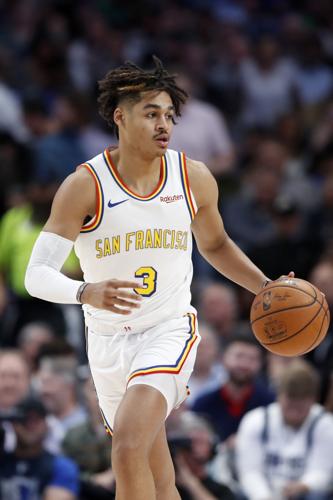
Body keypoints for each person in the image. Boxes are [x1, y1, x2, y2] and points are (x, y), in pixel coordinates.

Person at [25, 56, 289, 500]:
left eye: (169, 115)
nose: (164, 123)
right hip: (107, 341)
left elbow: (216, 244)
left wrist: (265, 287)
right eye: (151, 113)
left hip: (167, 330)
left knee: (127, 447)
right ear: (120, 116)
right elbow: (36, 275)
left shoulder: (192, 178)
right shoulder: (85, 185)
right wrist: (85, 291)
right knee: (154, 468)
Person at [235, 360, 333, 500]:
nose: (294, 410)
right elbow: (250, 472)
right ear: (279, 395)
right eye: (290, 401)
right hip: (265, 493)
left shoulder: (325, 424)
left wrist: (304, 485)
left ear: (314, 399)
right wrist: (264, 496)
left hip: (303, 494)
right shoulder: (256, 420)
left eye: (301, 403)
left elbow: (321, 471)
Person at [0, 395, 79, 500]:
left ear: (47, 425)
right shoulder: (3, 461)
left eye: (36, 420)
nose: (31, 425)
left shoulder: (60, 466)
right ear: (14, 424)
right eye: (25, 420)